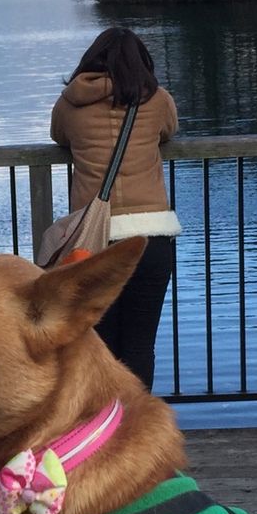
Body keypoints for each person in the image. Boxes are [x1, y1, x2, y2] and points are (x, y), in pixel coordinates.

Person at [49, 26, 180, 390]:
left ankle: (98, 426)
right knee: (140, 345)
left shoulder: (70, 103)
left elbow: (58, 137)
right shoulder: (157, 100)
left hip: (94, 240)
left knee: (98, 343)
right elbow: (169, 130)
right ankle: (132, 429)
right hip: (149, 237)